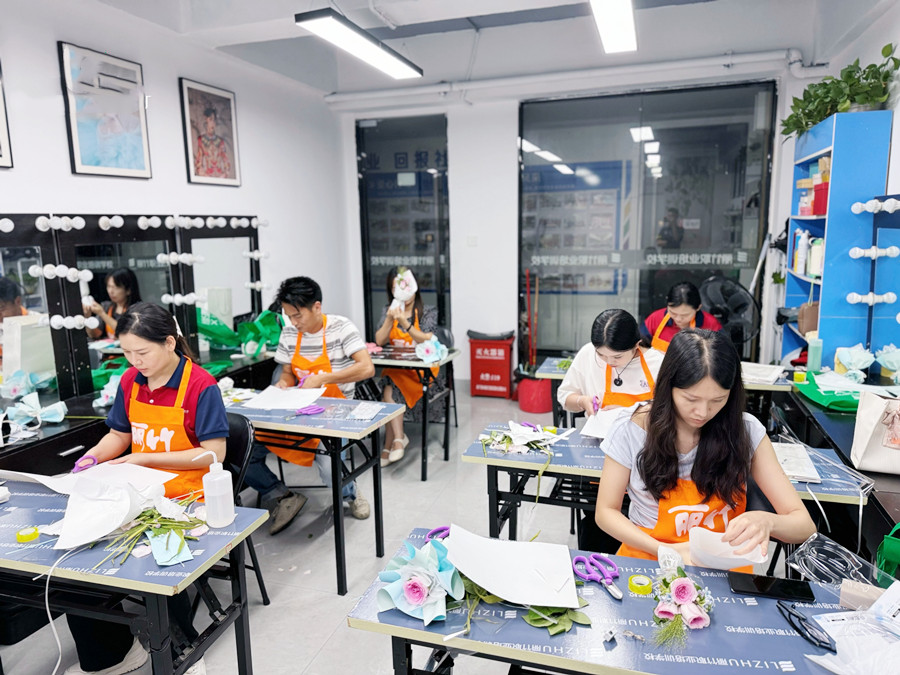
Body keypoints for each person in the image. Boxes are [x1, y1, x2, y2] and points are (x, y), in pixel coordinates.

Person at [64, 302, 225, 675]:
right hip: (138, 490)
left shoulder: (201, 385)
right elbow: (119, 435)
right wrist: (92, 457)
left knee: (158, 558)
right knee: (78, 553)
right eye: (126, 352)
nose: (135, 361)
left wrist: (145, 458)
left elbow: (214, 454)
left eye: (142, 352)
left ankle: (185, 648)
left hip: (186, 497)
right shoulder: (129, 381)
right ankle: (110, 654)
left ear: (169, 342)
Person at [595, 329, 815, 567]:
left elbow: (804, 525)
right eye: (691, 399)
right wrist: (667, 550)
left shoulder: (746, 431)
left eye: (717, 400)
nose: (702, 412)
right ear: (668, 387)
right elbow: (606, 511)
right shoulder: (631, 429)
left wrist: (768, 522)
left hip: (721, 567)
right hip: (649, 558)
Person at [244, 276, 376, 534]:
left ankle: (350, 493)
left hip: (336, 411)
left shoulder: (341, 328)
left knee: (329, 468)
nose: (294, 322)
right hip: (298, 409)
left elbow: (367, 368)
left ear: (317, 307)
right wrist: (283, 384)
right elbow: (287, 373)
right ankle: (282, 495)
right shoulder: (290, 333)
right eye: (289, 316)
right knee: (244, 451)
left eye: (298, 315)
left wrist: (325, 378)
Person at [374, 267, 440, 466]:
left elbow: (427, 339)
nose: (404, 292)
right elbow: (379, 340)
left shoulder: (427, 311)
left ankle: (391, 444)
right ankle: (397, 440)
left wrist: (405, 323)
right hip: (397, 370)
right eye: (397, 288)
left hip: (420, 373)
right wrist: (389, 318)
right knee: (389, 385)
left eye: (406, 286)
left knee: (388, 389)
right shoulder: (388, 310)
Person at [558, 309, 664, 416]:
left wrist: (630, 412)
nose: (609, 361)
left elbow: (668, 410)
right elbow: (565, 396)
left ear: (636, 345)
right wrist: (581, 401)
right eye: (601, 355)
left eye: (617, 356)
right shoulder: (588, 353)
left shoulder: (658, 363)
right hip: (599, 427)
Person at [642, 281, 721, 353]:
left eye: (685, 315)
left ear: (698, 308)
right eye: (673, 313)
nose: (678, 319)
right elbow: (639, 346)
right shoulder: (655, 319)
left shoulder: (711, 324)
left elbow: (721, 353)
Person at [83, 267, 141, 339]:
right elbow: (95, 334)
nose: (111, 291)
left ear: (128, 290)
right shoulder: (106, 306)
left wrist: (102, 314)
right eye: (109, 286)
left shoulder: (138, 309)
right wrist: (88, 318)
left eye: (116, 287)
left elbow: (125, 332)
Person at [194, 107, 232, 178]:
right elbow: (198, 164)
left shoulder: (220, 141)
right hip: (207, 176)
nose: (213, 123)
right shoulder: (201, 140)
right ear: (206, 121)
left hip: (220, 176)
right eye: (210, 119)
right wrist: (206, 176)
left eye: (214, 120)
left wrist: (224, 175)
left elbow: (226, 162)